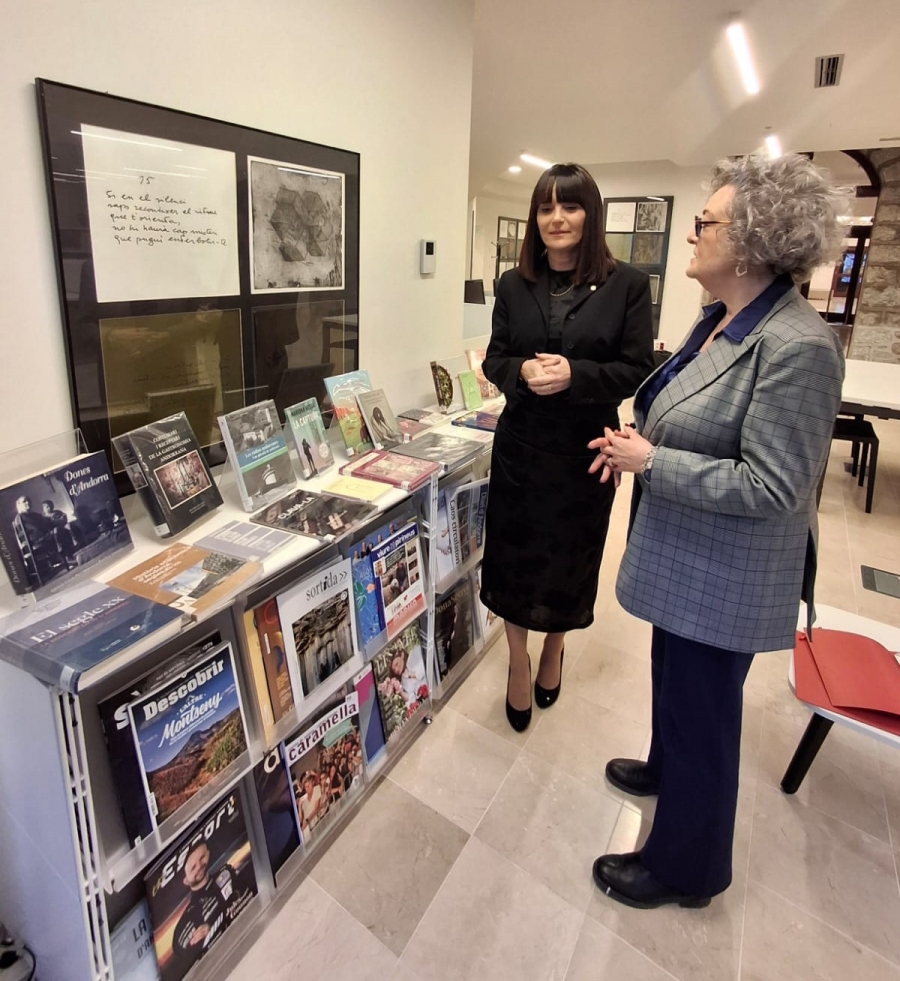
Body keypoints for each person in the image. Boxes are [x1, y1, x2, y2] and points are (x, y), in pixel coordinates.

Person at [588, 153, 845, 909]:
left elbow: (775, 486)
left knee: (705, 714)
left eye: (707, 222)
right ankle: (665, 768)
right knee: (676, 686)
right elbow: (677, 405)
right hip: (689, 556)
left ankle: (686, 867)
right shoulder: (721, 319)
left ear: (755, 241)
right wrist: (638, 440)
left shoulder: (797, 346)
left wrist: (652, 460)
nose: (692, 233)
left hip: (725, 570)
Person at [479, 163, 654, 732]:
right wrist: (522, 369)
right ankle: (517, 660)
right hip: (521, 447)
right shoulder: (512, 282)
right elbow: (494, 359)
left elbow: (635, 369)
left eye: (570, 206)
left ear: (590, 213)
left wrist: (575, 374)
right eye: (546, 207)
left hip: (586, 451)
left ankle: (554, 646)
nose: (557, 218)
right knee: (512, 560)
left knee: (568, 561)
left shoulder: (628, 284)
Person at [171, 840, 246, 970]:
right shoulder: (182, 926)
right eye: (193, 867)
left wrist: (212, 924)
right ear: (185, 880)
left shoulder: (227, 872)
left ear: (208, 853)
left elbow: (248, 893)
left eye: (202, 857)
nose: (199, 865)